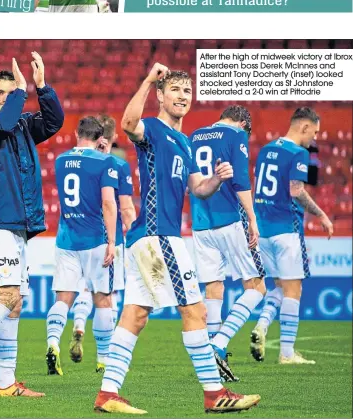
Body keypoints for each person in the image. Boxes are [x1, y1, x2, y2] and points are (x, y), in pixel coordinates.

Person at [93, 63, 260, 414]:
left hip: (148, 238)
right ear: (161, 96)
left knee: (136, 314)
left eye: (187, 91)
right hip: (159, 237)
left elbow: (198, 189)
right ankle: (215, 394)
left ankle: (107, 394)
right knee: (195, 310)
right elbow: (126, 124)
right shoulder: (152, 129)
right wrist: (147, 80)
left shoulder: (184, 142)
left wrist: (217, 179)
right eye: (175, 90)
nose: (183, 96)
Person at [0, 52, 64, 397]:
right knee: (6, 296)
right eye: (0, 93)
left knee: (15, 300)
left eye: (11, 93)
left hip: (17, 225)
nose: (7, 98)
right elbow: (4, 122)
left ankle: (6, 383)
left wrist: (42, 87)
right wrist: (21, 92)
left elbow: (53, 123)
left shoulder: (21, 127)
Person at [189, 105, 266, 382]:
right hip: (230, 219)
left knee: (214, 287)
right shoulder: (236, 134)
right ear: (243, 122)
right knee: (257, 286)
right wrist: (252, 219)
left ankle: (211, 365)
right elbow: (241, 181)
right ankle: (218, 343)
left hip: (200, 223)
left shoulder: (194, 135)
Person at [250, 107, 333, 364]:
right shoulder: (298, 153)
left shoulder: (265, 150)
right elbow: (295, 189)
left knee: (278, 286)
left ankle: (261, 326)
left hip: (264, 229)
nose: (315, 138)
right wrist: (320, 214)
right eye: (314, 132)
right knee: (294, 289)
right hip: (287, 227)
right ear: (303, 127)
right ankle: (287, 353)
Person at [45, 116, 118, 376]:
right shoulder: (105, 161)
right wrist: (112, 241)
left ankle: (53, 343)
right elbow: (108, 203)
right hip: (94, 238)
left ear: (76, 132)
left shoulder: (61, 160)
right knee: (103, 299)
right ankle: (103, 360)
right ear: (101, 139)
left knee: (63, 298)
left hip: (66, 239)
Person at [69, 115, 136, 372]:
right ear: (112, 137)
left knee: (87, 289)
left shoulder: (79, 162)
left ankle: (78, 323)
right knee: (108, 295)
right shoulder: (115, 163)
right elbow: (124, 207)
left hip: (80, 236)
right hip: (109, 237)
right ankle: (105, 357)